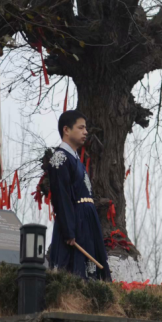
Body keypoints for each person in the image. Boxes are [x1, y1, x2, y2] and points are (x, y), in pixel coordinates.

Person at [47, 110, 112, 281]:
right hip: (75, 222)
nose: (86, 132)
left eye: (86, 128)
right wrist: (69, 230)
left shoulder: (76, 159)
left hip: (87, 220)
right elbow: (62, 196)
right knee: (73, 271)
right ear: (66, 130)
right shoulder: (60, 158)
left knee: (92, 271)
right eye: (81, 127)